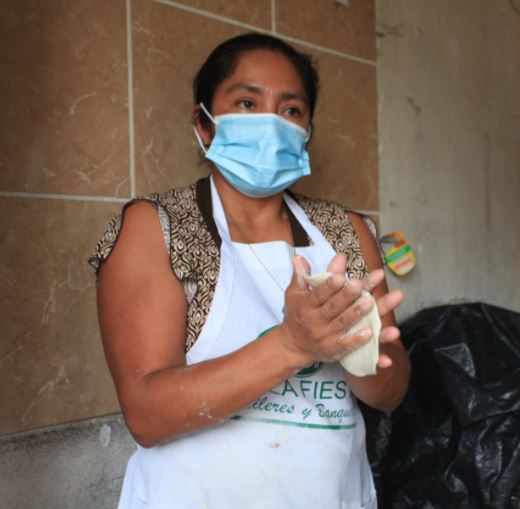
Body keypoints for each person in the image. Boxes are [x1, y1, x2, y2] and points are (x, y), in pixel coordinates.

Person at [90, 32, 410, 509]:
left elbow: (391, 392)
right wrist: (292, 344)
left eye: (291, 110)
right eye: (246, 102)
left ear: (306, 134)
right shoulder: (156, 227)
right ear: (204, 124)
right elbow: (147, 415)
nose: (270, 123)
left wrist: (357, 349)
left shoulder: (345, 232)